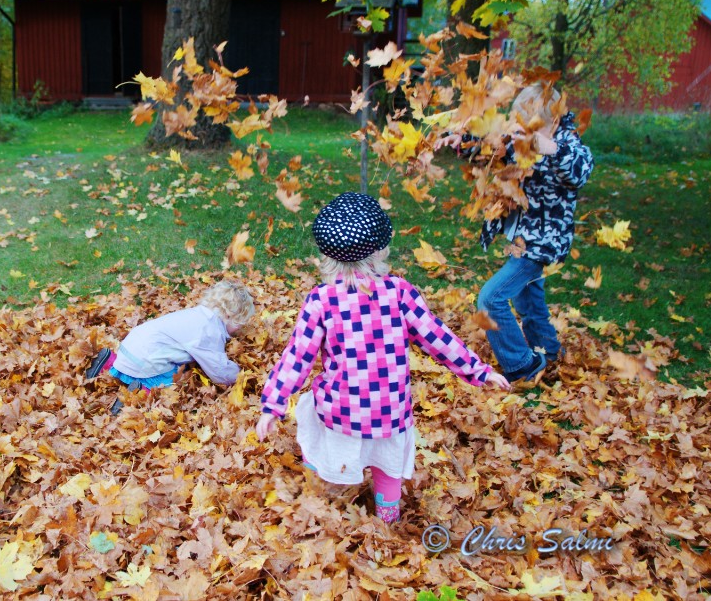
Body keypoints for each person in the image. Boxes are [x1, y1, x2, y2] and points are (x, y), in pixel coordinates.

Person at [256, 192, 510, 523]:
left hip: (342, 413)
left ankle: (324, 503)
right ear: (380, 249)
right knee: (387, 469)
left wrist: (272, 406)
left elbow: (297, 358)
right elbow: (438, 338)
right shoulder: (400, 292)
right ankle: (386, 519)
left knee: (315, 417)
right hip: (390, 414)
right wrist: (479, 371)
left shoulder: (320, 300)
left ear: (325, 255)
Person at [473, 84, 594, 382]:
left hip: (540, 243)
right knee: (528, 301)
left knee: (490, 300)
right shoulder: (520, 140)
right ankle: (548, 352)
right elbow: (493, 152)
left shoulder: (568, 145)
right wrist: (464, 140)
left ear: (552, 121)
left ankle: (522, 364)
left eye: (530, 124)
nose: (522, 130)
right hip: (520, 237)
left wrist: (549, 147)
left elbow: (578, 171)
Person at [84, 279, 255, 411]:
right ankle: (140, 392)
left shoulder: (195, 315)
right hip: (146, 359)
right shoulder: (209, 331)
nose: (240, 328)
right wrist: (241, 376)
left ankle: (108, 362)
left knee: (137, 361)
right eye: (240, 323)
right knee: (177, 378)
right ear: (230, 315)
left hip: (130, 347)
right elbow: (219, 371)